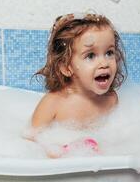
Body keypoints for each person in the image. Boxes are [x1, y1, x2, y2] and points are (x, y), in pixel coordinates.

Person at [28, 13, 127, 158]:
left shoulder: (111, 99)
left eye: (109, 52)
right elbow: (30, 144)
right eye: (91, 55)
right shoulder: (53, 103)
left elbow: (119, 137)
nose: (104, 63)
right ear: (67, 67)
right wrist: (55, 152)